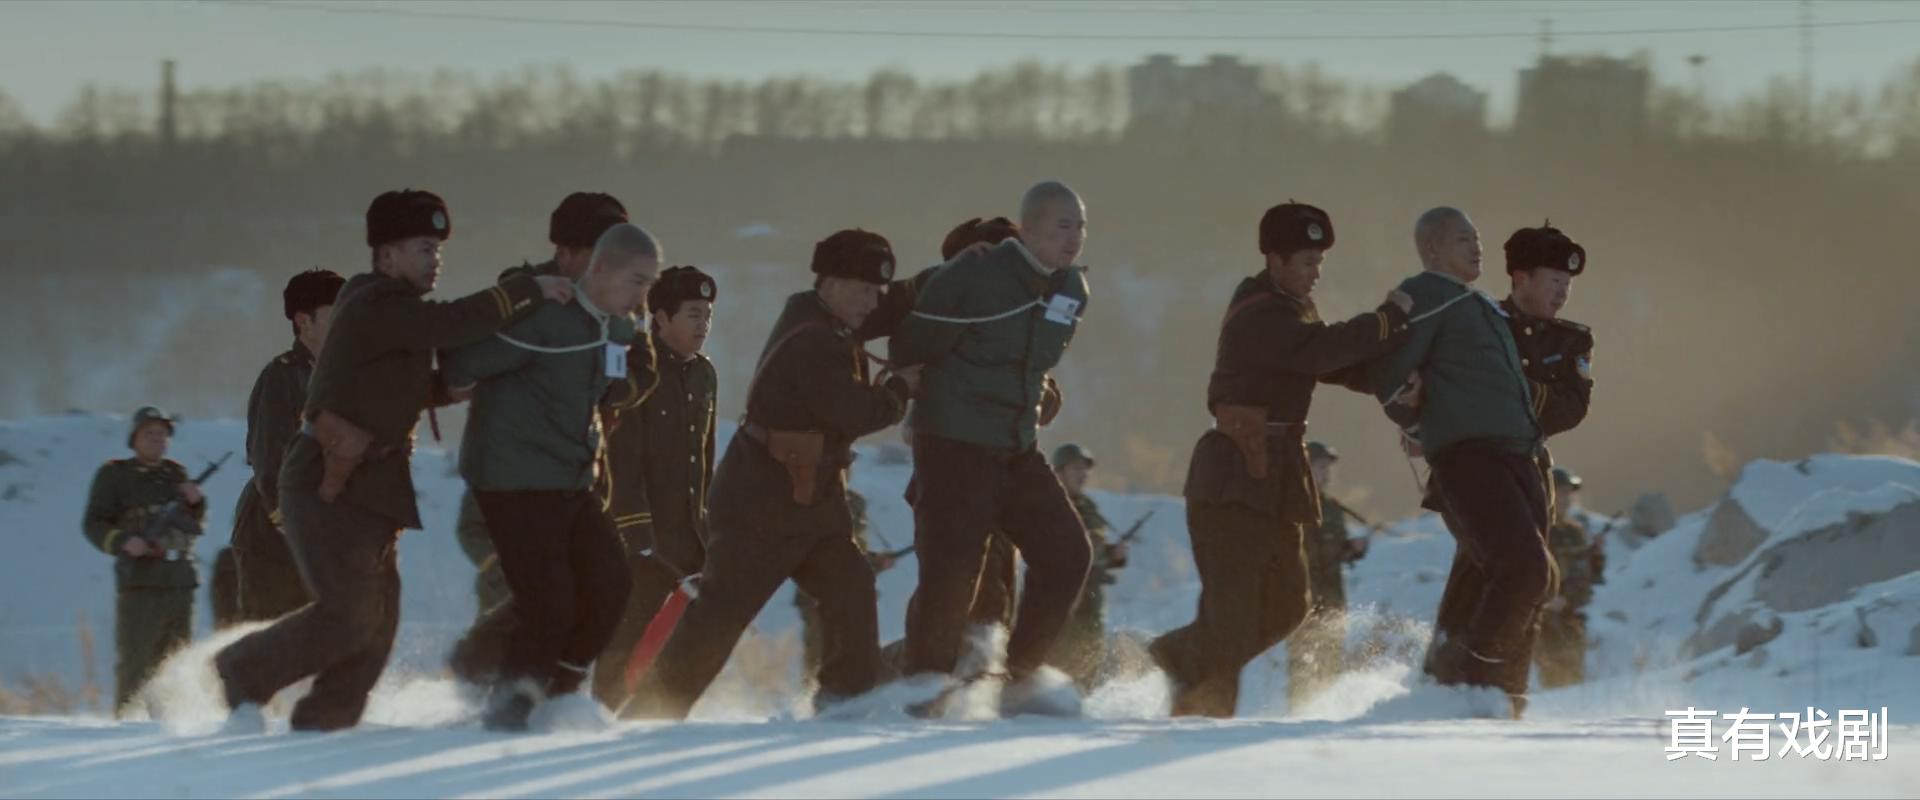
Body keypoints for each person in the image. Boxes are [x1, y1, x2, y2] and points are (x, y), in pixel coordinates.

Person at [214, 188, 572, 732]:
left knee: (377, 626)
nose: (436, 260)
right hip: (328, 482)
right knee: (347, 615)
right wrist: (526, 291)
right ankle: (241, 673)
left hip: (371, 487)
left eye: (438, 250)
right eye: (424, 248)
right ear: (388, 254)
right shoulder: (377, 304)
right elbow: (450, 323)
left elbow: (393, 385)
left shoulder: (389, 314)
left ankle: (323, 723)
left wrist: (450, 390)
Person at [624, 229, 924, 719]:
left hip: (812, 500)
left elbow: (887, 309)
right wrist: (897, 389)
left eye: (877, 291)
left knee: (850, 587)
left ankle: (846, 701)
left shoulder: (818, 315)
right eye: (863, 289)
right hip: (762, 504)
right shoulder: (816, 341)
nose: (872, 302)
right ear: (830, 282)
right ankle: (651, 714)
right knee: (720, 616)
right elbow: (852, 412)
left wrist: (949, 274)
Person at [1150, 201, 1412, 718]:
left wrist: (1396, 382)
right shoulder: (1263, 313)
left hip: (1276, 478)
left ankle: (1183, 663)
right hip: (1233, 476)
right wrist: (1388, 320)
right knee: (1230, 615)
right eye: (1307, 263)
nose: (1316, 274)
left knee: (1289, 605)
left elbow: (1329, 362)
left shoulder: (1291, 311)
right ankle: (1196, 703)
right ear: (1275, 261)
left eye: (1319, 263)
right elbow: (1319, 352)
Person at [441, 222, 661, 730]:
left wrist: (626, 377)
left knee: (610, 584)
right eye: (636, 281)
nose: (642, 295)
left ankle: (558, 693)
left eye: (650, 284)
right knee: (550, 603)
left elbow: (620, 383)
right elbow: (461, 365)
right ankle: (510, 708)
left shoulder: (612, 327)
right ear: (600, 269)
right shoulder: (542, 320)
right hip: (511, 479)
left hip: (569, 479)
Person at [891, 181, 1096, 713]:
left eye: (1080, 226)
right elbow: (910, 345)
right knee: (952, 575)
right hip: (952, 445)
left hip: (1015, 448)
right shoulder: (976, 276)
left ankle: (1019, 679)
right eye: (1061, 226)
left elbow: (1035, 364)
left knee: (1068, 553)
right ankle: (925, 693)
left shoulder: (1071, 289)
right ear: (1027, 229)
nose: (1074, 238)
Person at [1364, 206, 1549, 718]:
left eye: (1477, 237)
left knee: (1520, 576)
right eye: (1463, 238)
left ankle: (1485, 694)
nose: (1477, 246)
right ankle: (1472, 683)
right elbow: (1388, 376)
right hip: (1472, 457)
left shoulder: (1481, 304)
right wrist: (1421, 428)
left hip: (1518, 454)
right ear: (1431, 249)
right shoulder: (1424, 295)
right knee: (1523, 570)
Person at [590, 265, 723, 714]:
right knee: (627, 634)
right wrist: (636, 534)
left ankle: (655, 714)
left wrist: (708, 527)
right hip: (643, 536)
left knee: (681, 637)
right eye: (692, 315)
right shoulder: (638, 370)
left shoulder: (705, 375)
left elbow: (704, 459)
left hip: (689, 534)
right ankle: (602, 712)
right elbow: (620, 458)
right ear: (660, 318)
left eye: (707, 315)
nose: (703, 325)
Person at [225, 268, 346, 625]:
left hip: (318, 534)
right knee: (271, 639)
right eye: (334, 314)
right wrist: (290, 521)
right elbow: (269, 460)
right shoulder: (283, 375)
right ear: (304, 321)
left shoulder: (338, 376)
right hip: (272, 536)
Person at [81, 406, 207, 715]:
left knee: (177, 661)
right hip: (141, 581)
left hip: (179, 579)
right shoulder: (114, 475)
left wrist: (197, 502)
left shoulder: (175, 473)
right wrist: (124, 542)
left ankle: (174, 725)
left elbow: (195, 526)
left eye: (163, 434)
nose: (157, 439)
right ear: (134, 438)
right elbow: (94, 523)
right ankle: (128, 727)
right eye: (149, 433)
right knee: (138, 661)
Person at [1287, 440, 1371, 709]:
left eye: (1326, 467)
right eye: (1319, 467)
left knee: (1331, 659)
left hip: (1333, 598)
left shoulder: (1333, 508)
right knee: (1303, 660)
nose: (1325, 473)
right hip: (1302, 599)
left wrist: (1352, 550)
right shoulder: (1293, 505)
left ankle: (1324, 713)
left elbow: (1334, 551)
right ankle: (1298, 713)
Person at [1042, 443, 1127, 692]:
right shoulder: (1049, 505)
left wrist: (1115, 555)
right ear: (1059, 472)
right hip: (1062, 594)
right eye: (1076, 468)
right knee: (1059, 647)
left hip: (1091, 593)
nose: (1083, 474)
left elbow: (1094, 550)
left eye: (1085, 469)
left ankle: (1080, 701)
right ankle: (1050, 699)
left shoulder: (1089, 507)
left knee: (1091, 647)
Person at [1536, 467, 1600, 688]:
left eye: (1567, 493)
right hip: (1536, 618)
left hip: (1568, 616)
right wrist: (1543, 601)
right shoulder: (1532, 529)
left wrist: (1596, 557)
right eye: (1558, 492)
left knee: (1570, 678)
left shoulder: (1574, 532)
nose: (1564, 499)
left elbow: (1586, 577)